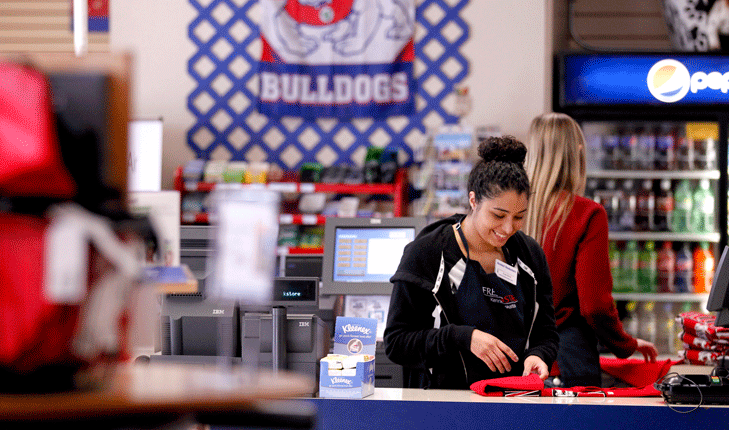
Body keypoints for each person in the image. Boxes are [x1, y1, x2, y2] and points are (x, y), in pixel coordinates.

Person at [383, 136, 559, 389]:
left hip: (513, 401)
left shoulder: (529, 255)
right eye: (498, 215)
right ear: (473, 200)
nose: (508, 228)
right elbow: (397, 343)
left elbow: (546, 332)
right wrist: (463, 337)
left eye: (519, 216)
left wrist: (539, 355)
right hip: (443, 405)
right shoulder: (429, 253)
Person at [523, 112, 658, 388]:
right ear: (579, 154)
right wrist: (625, 344)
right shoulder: (587, 214)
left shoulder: (509, 212)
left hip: (515, 361)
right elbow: (594, 306)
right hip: (568, 363)